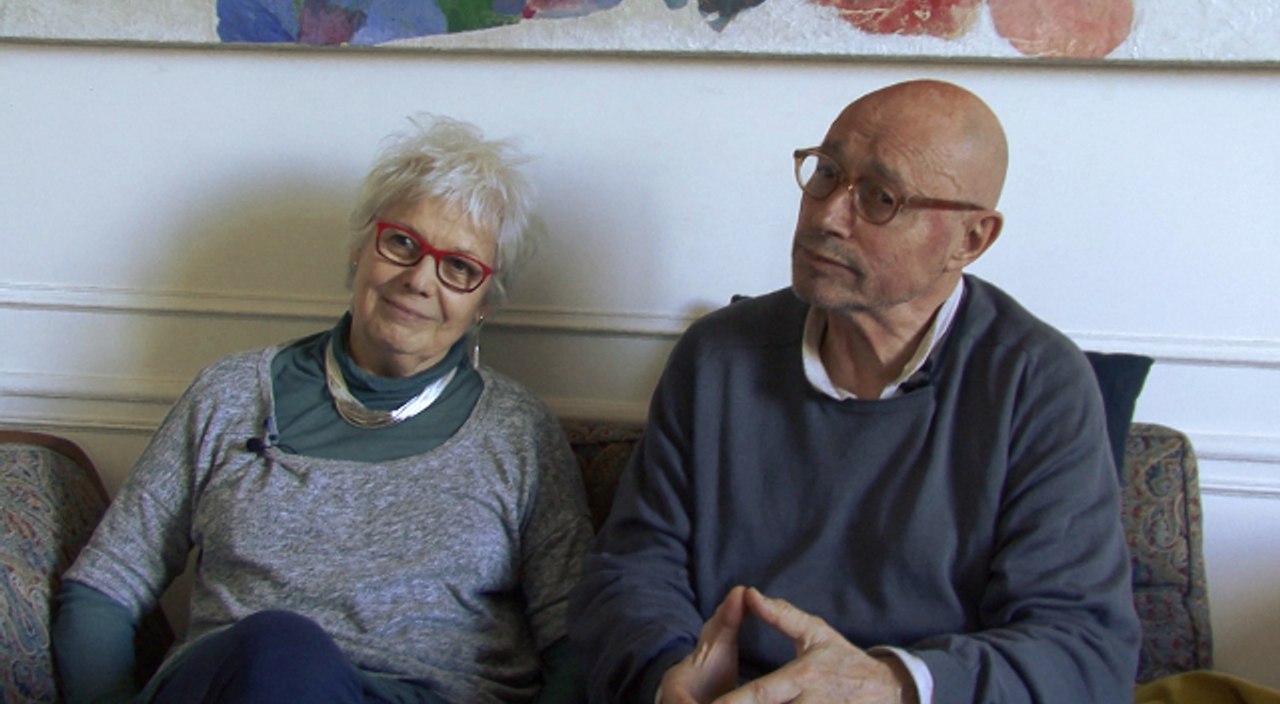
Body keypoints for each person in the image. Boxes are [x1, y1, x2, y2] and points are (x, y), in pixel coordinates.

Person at [567, 79, 1141, 704]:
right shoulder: (716, 357)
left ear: (971, 240)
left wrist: (893, 684)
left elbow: (1083, 648)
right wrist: (665, 673)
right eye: (826, 174)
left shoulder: (1036, 385)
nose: (826, 215)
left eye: (880, 197)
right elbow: (631, 568)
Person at [52, 114, 593, 704]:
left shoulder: (518, 433)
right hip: (247, 682)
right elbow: (102, 591)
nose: (419, 279)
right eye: (402, 243)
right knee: (282, 651)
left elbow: (575, 637)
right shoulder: (231, 396)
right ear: (360, 248)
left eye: (459, 268)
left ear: (485, 303)